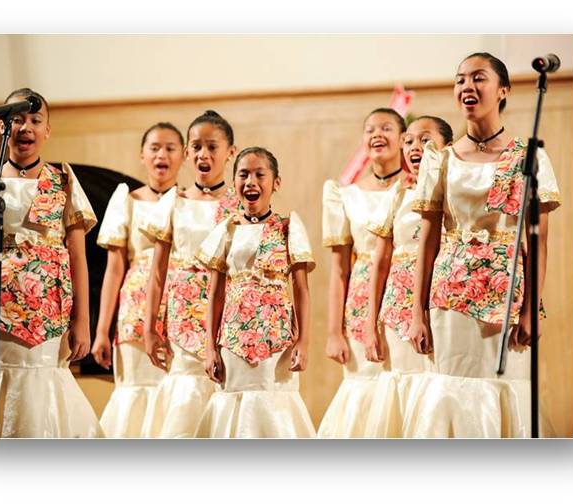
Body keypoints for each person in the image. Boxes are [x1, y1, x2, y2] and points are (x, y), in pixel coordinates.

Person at [409, 53, 561, 437]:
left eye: (478, 78)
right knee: (451, 386)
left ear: (503, 90)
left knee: (501, 388)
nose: (467, 87)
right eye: (460, 80)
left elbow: (537, 241)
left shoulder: (529, 157)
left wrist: (530, 308)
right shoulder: (440, 159)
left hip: (505, 296)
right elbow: (427, 240)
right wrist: (417, 311)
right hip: (449, 296)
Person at [0, 88, 102, 438]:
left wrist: (82, 319)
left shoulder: (63, 180)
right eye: (18, 119)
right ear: (5, 126)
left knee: (42, 380)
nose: (26, 127)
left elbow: (77, 257)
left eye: (36, 120)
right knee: (1, 380)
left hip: (50, 311)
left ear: (47, 131)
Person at [195, 146, 316, 438]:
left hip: (277, 341)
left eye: (259, 174)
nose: (251, 181)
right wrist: (210, 348)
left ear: (275, 182)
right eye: (243, 174)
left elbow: (301, 289)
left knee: (274, 401)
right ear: (235, 182)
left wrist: (303, 342)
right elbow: (216, 295)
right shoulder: (227, 230)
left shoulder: (288, 228)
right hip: (233, 340)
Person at [139, 110, 240, 437]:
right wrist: (149, 325)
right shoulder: (174, 203)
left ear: (230, 152)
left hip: (228, 311)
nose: (203, 154)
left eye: (212, 146)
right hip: (182, 313)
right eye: (196, 147)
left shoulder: (240, 206)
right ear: (187, 153)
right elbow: (157, 271)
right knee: (186, 389)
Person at [91, 122, 185, 437]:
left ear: (183, 156)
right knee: (137, 389)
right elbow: (114, 269)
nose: (162, 154)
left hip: (181, 307)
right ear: (142, 155)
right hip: (135, 307)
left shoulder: (189, 202)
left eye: (171, 148)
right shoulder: (126, 200)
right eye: (155, 147)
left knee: (176, 393)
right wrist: (101, 331)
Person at [318, 108, 407, 438]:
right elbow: (339, 268)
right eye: (370, 129)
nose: (377, 134)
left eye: (386, 128)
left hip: (404, 295)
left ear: (402, 138)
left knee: (402, 387)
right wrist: (333, 332)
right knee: (364, 389)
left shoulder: (415, 188)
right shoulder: (346, 195)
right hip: (359, 303)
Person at [363, 116, 453, 437]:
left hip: (440, 300)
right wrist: (370, 323)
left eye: (426, 141)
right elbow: (380, 262)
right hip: (397, 309)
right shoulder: (398, 195)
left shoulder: (453, 190)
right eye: (410, 141)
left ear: (447, 148)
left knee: (436, 386)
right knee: (403, 384)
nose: (416, 148)